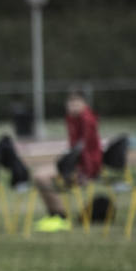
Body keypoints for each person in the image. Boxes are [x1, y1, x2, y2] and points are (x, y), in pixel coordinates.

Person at [33, 89, 103, 228]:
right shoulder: (72, 119)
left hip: (85, 168)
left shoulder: (86, 120)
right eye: (70, 102)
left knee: (41, 177)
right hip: (74, 164)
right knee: (38, 175)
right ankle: (54, 215)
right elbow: (74, 150)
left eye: (76, 102)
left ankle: (60, 216)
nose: (73, 105)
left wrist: (87, 173)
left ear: (84, 104)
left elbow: (87, 151)